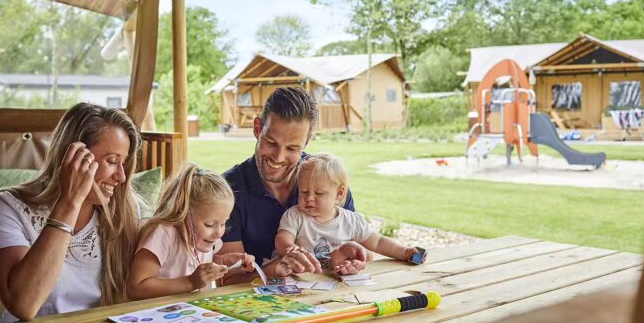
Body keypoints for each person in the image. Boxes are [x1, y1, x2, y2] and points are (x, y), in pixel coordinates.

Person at [0, 103, 141, 323]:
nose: (121, 176)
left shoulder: (126, 211)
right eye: (112, 161)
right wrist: (70, 201)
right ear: (74, 157)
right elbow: (24, 304)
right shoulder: (6, 206)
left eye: (124, 163)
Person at [219, 87, 355, 279]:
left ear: (306, 143)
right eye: (271, 142)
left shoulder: (327, 181)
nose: (278, 157)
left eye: (292, 148)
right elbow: (226, 280)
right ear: (257, 129)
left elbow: (358, 248)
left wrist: (353, 261)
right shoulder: (227, 192)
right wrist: (272, 270)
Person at [276, 153, 425, 275]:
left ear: (339, 194)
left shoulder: (351, 221)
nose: (309, 198)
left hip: (336, 280)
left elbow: (378, 242)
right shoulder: (295, 215)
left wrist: (404, 252)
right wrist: (291, 248)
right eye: (304, 192)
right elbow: (282, 239)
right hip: (302, 279)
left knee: (352, 259)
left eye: (319, 193)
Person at [126, 164, 255, 299]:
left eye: (223, 223)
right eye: (209, 224)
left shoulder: (204, 238)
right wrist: (190, 282)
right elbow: (135, 288)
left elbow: (197, 264)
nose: (219, 233)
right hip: (156, 311)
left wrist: (225, 263)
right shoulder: (163, 233)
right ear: (184, 212)